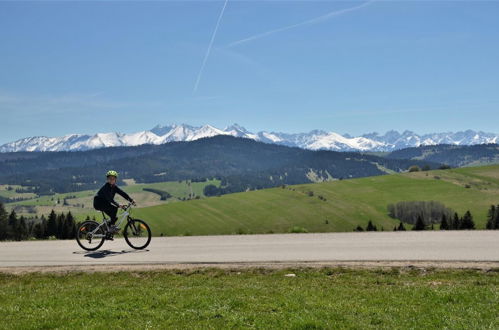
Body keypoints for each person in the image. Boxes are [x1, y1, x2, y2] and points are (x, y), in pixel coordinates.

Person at [93, 170, 135, 235]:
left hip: (105, 203)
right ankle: (112, 227)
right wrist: (119, 205)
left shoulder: (114, 187)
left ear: (115, 180)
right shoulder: (106, 187)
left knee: (114, 218)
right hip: (98, 203)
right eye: (110, 178)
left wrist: (131, 200)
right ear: (107, 179)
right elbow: (110, 199)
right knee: (114, 208)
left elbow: (122, 193)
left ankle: (107, 230)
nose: (111, 180)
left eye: (113, 178)